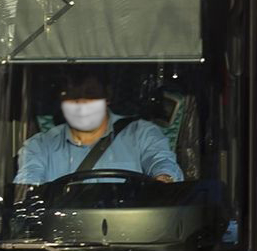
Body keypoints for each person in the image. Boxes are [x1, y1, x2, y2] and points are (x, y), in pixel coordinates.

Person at [13, 70, 180, 187]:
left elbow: (161, 161)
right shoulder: (39, 146)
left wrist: (163, 178)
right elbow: (28, 183)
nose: (81, 103)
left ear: (107, 96)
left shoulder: (142, 134)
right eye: (72, 95)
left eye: (90, 93)